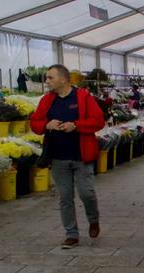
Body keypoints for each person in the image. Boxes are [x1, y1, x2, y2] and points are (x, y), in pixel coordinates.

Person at [30, 64, 105, 249]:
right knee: (65, 196)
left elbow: (98, 121)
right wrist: (47, 124)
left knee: (86, 193)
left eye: (50, 78)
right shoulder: (47, 100)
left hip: (81, 155)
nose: (47, 81)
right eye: (47, 78)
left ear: (63, 79)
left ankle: (93, 219)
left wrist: (76, 125)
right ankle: (71, 234)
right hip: (58, 157)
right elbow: (35, 122)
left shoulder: (83, 97)